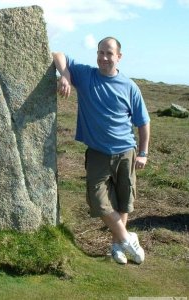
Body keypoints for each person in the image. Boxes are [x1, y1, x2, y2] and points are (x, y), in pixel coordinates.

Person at [53, 37, 150, 264]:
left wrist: (143, 153)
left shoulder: (130, 86)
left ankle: (117, 246)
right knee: (99, 201)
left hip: (126, 150)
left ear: (119, 57)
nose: (103, 58)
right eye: (100, 53)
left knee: (123, 200)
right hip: (97, 152)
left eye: (109, 53)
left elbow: (143, 122)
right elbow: (57, 55)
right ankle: (127, 238)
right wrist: (66, 75)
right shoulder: (86, 75)